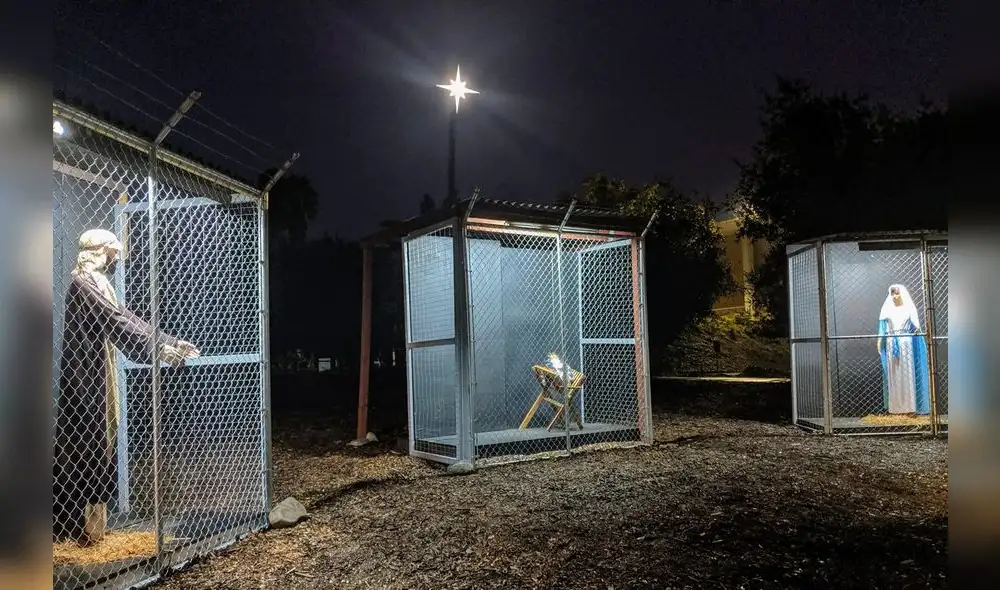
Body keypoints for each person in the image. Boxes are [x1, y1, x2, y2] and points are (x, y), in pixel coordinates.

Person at [53, 229, 199, 546]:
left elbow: (123, 317)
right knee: (88, 442)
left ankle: (92, 531)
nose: (116, 258)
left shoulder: (97, 281)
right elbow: (115, 320)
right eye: (112, 252)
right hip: (84, 377)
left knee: (102, 440)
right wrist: (158, 349)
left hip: (98, 370)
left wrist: (167, 341)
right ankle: (76, 530)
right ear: (98, 250)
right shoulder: (83, 281)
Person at [876, 284, 930, 415]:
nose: (894, 296)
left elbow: (916, 326)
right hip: (891, 342)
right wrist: (879, 341)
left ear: (902, 294)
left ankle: (909, 407)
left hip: (906, 342)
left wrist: (916, 328)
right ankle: (895, 408)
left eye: (897, 293)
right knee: (894, 373)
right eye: (892, 293)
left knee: (907, 372)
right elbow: (882, 329)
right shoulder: (886, 310)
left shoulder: (908, 309)